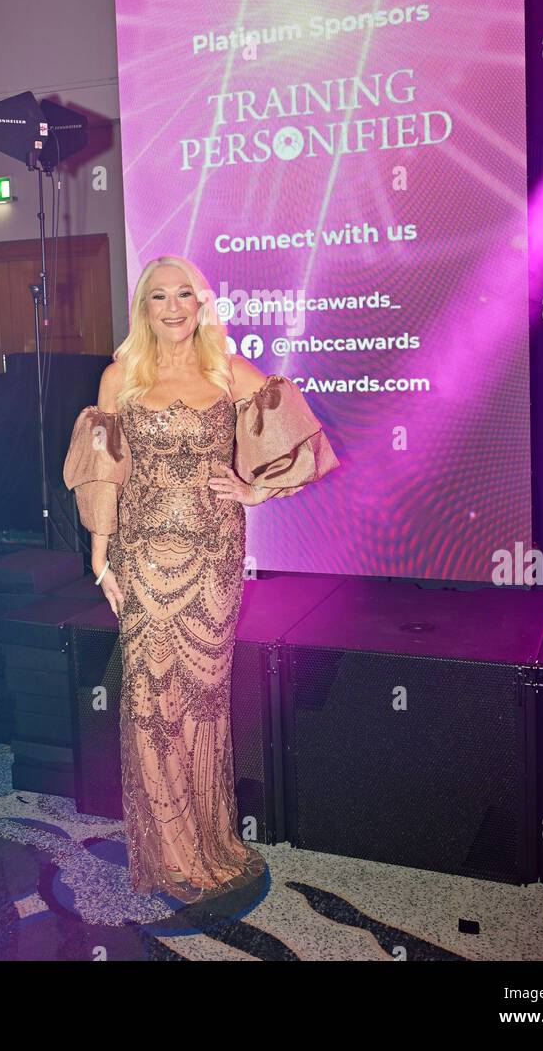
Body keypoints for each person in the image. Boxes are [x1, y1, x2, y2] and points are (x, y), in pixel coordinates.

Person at [62, 254, 340, 903]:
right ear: (145, 308)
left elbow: (295, 434)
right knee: (153, 703)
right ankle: (173, 850)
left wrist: (255, 490)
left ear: (201, 303)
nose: (174, 307)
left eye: (185, 294)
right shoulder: (120, 378)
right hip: (143, 558)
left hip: (214, 560)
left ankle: (209, 838)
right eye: (160, 296)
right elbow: (105, 469)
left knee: (203, 702)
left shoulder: (226, 371)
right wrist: (100, 557)